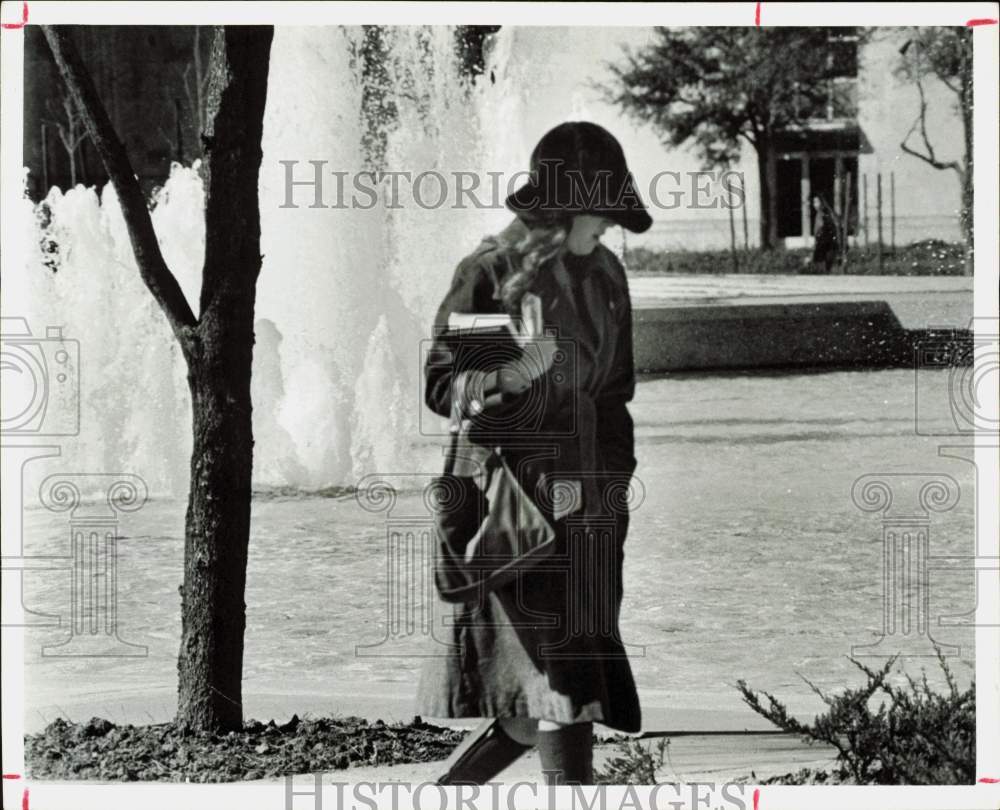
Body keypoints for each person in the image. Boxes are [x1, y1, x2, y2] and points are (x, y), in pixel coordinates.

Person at [417, 121, 652, 786]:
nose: (608, 227)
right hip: (515, 511)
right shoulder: (490, 274)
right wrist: (508, 375)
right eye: (601, 211)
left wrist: (610, 485)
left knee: (543, 699)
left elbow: (616, 395)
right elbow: (444, 385)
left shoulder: (605, 274)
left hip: (588, 510)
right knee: (560, 687)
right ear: (567, 206)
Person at [810, 195, 840, 274]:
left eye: (816, 202)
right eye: (814, 202)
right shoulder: (824, 212)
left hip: (824, 240)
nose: (815, 204)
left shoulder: (822, 213)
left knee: (820, 260)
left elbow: (821, 226)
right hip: (825, 240)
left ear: (821, 202)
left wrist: (818, 237)